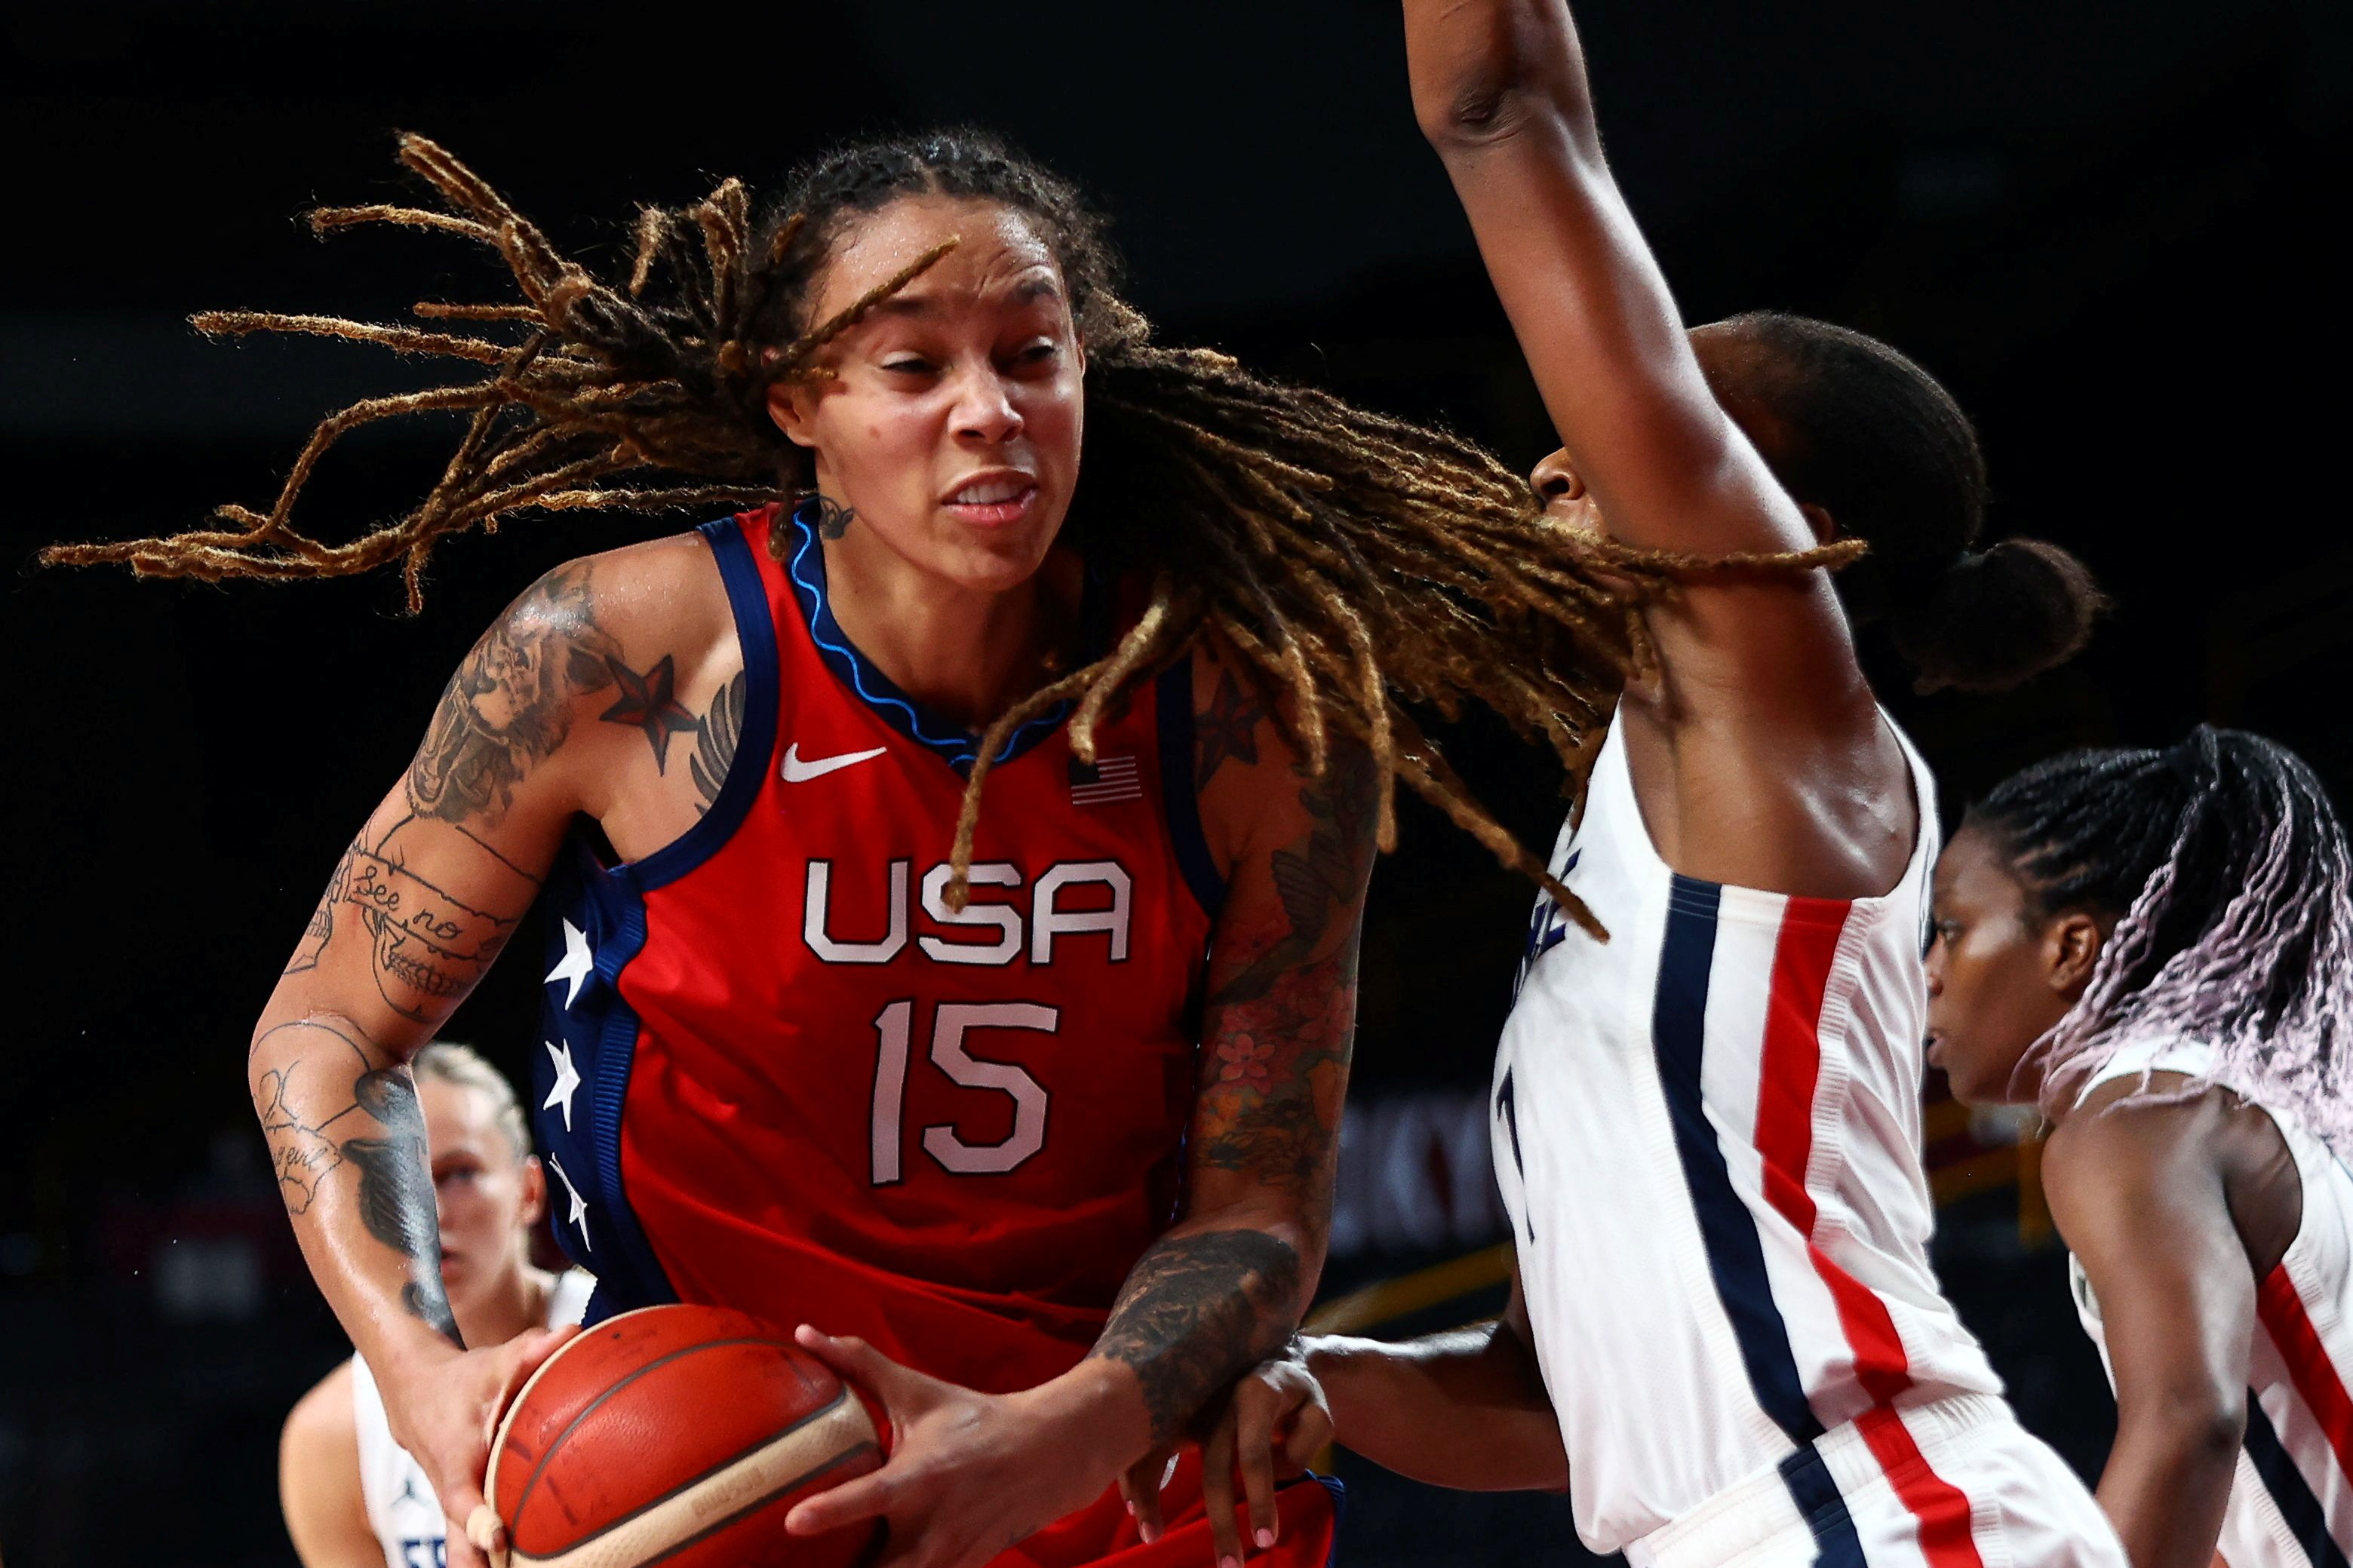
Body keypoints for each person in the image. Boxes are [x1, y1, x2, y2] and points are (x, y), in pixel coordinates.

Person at [49, 130, 1698, 1568]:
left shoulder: (1254, 717)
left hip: (1115, 1476)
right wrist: (415, 1366)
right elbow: (330, 1029)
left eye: (1030, 354)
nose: (988, 412)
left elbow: (1257, 1208)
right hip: (722, 1470)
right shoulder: (618, 659)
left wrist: (1067, 1430)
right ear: (800, 405)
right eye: (911, 366)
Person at [1132, 2, 2125, 1563]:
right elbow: (1546, 1401)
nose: (1553, 461)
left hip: (1872, 1515)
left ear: (1783, 519)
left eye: (1632, 425)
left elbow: (1504, 112)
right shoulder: (1644, 806)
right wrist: (1296, 1372)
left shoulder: (1786, 707)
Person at [1924, 727, 2353, 1568]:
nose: (1927, 970)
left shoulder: (2131, 1120)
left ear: (2070, 947)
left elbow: (2189, 1420)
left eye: (1950, 930)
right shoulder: (2246, 1088)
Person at [280, 1042, 593, 1568]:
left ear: (529, 1189)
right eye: (396, 1187)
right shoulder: (333, 1433)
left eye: (458, 1173)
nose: (427, 1212)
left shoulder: (634, 1332)